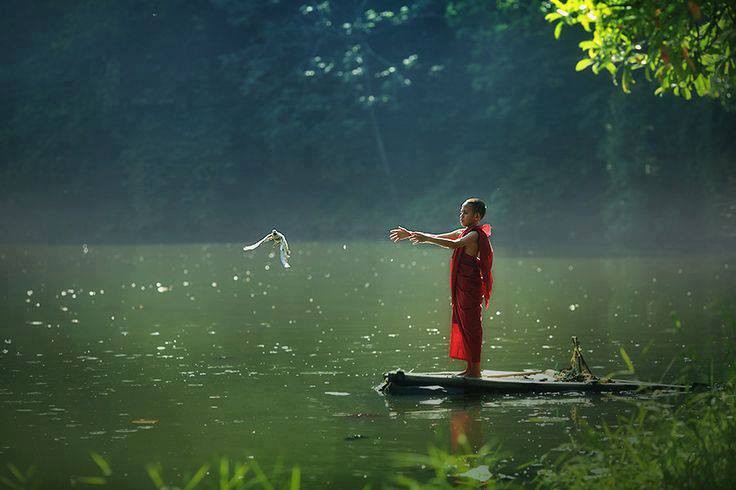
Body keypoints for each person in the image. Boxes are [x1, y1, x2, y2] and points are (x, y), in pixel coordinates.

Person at [389, 198, 493, 377]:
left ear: (476, 217)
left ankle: (475, 371)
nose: (461, 215)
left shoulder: (474, 235)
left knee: (472, 326)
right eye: (461, 212)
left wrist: (425, 238)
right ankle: (470, 369)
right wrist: (411, 234)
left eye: (465, 212)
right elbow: (439, 237)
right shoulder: (463, 231)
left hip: (470, 287)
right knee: (464, 324)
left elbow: (453, 245)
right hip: (461, 285)